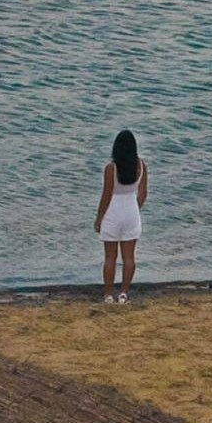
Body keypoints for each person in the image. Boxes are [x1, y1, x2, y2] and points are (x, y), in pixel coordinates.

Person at [93, 129, 147, 303]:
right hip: (131, 213)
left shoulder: (111, 168)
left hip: (113, 213)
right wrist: (134, 208)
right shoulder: (141, 166)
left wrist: (99, 218)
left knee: (110, 257)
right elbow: (143, 194)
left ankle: (108, 294)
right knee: (129, 257)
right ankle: (124, 293)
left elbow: (106, 195)